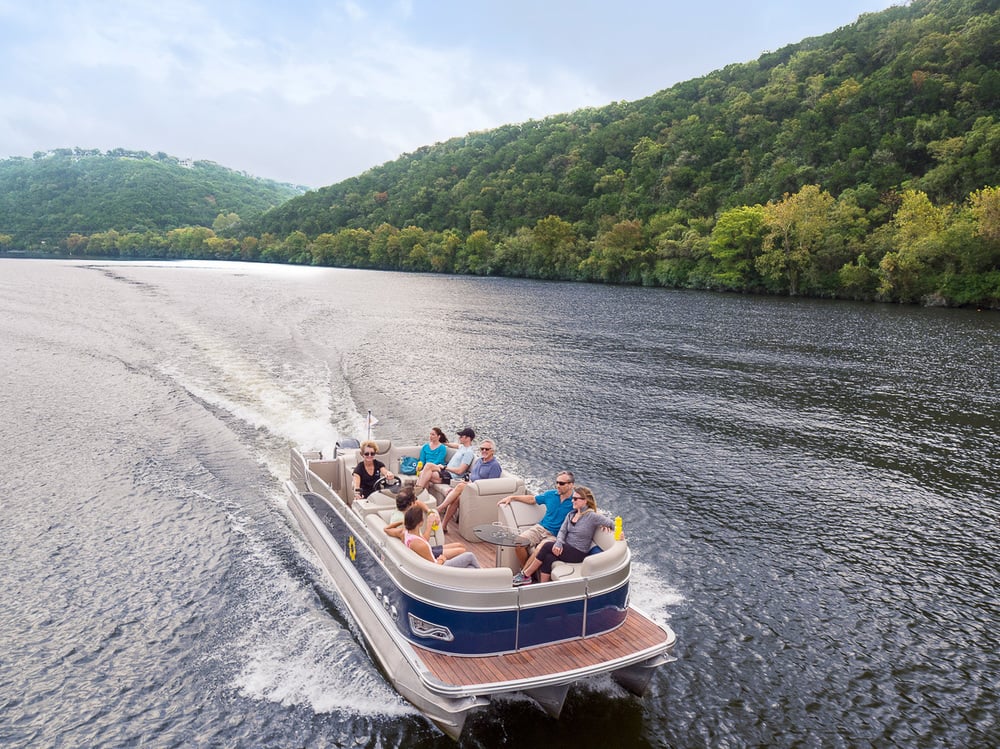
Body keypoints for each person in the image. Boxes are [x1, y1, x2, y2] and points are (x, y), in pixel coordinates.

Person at [512, 486, 611, 585]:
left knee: (546, 546)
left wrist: (607, 526)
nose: (572, 501)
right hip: (567, 547)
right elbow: (562, 531)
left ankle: (526, 575)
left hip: (578, 552)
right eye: (572, 498)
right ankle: (542, 587)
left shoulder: (592, 516)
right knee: (548, 558)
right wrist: (558, 543)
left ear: (585, 501)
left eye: (575, 499)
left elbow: (612, 524)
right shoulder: (571, 514)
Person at [498, 470, 576, 567]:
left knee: (540, 549)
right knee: (518, 542)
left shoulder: (576, 501)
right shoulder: (550, 494)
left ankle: (524, 574)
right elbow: (532, 499)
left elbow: (588, 512)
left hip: (556, 535)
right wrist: (512, 498)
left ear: (571, 485)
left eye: (561, 483)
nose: (558, 486)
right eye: (556, 482)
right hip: (541, 528)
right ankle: (526, 571)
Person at [437, 438, 502, 534]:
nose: (484, 451)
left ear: (492, 451)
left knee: (460, 486)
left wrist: (470, 485)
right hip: (472, 488)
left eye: (487, 449)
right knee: (456, 498)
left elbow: (491, 485)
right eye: (482, 449)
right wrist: (466, 484)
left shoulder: (494, 466)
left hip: (482, 493)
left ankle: (440, 508)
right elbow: (472, 478)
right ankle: (444, 525)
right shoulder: (479, 461)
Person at [388, 505, 480, 568]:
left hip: (433, 563)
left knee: (471, 567)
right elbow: (433, 568)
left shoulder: (403, 533)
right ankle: (483, 578)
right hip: (440, 568)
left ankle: (479, 580)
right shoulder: (420, 545)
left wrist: (401, 522)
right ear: (420, 523)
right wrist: (442, 559)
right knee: (470, 556)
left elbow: (386, 529)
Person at [415, 427, 476, 491]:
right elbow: (453, 445)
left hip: (451, 476)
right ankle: (420, 494)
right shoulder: (462, 447)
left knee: (425, 471)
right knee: (426, 468)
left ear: (468, 438)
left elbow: (460, 471)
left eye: (461, 436)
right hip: (445, 472)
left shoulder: (468, 453)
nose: (459, 438)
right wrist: (441, 441)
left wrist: (445, 468)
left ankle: (417, 493)